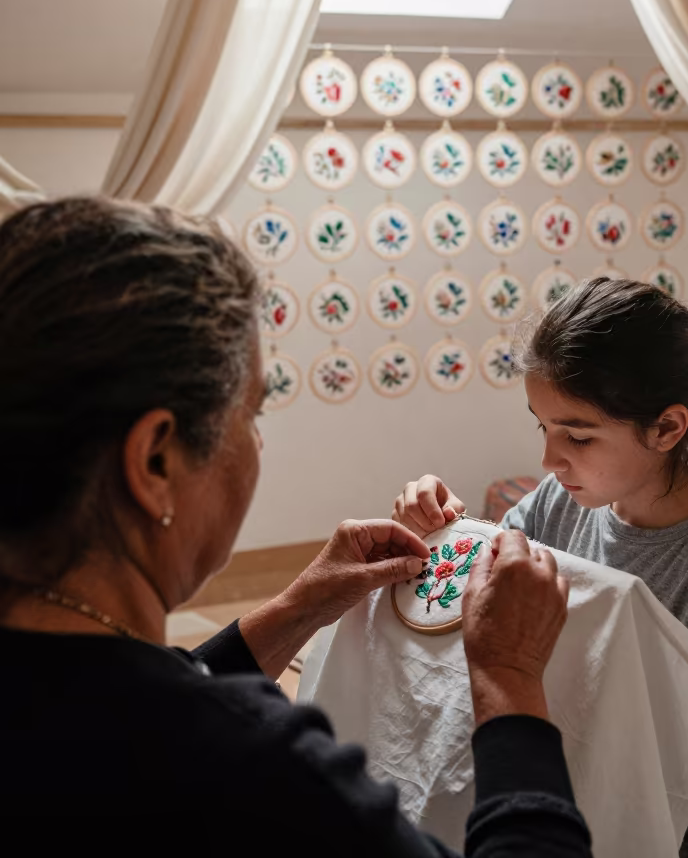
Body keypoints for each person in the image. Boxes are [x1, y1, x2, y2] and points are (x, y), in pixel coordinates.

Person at [0, 196, 591, 854]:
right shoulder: (251, 768)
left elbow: (124, 696)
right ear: (155, 460)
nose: (258, 446)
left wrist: (298, 605)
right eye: (250, 416)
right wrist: (509, 678)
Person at [395, 277, 688, 858]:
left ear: (666, 429)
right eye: (544, 426)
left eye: (578, 437)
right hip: (557, 804)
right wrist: (441, 533)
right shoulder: (561, 500)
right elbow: (482, 593)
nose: (549, 460)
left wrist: (605, 713)